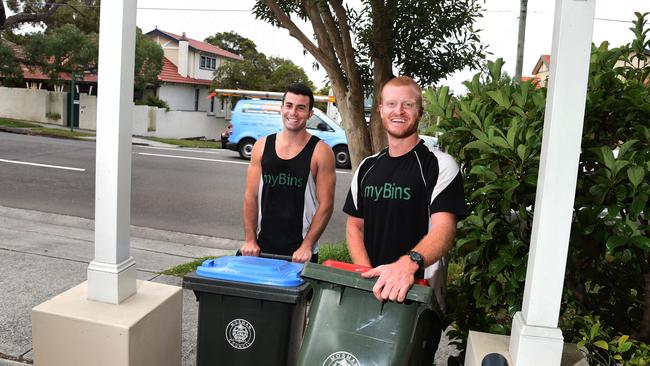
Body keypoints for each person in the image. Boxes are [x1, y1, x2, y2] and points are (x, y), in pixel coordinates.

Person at [343, 76, 466, 364]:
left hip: (417, 297)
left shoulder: (440, 165)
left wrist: (406, 265)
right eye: (392, 104)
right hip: (371, 292)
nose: (399, 111)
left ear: (420, 111)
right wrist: (367, 276)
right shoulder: (366, 168)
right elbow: (354, 225)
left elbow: (444, 230)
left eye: (408, 104)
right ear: (381, 110)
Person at [240, 83, 336, 263]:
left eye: (301, 108)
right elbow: (250, 197)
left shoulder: (321, 152)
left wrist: (307, 246)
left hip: (300, 252)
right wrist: (251, 240)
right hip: (260, 248)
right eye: (289, 106)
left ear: (310, 114)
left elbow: (326, 205)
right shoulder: (261, 146)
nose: (293, 113)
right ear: (281, 108)